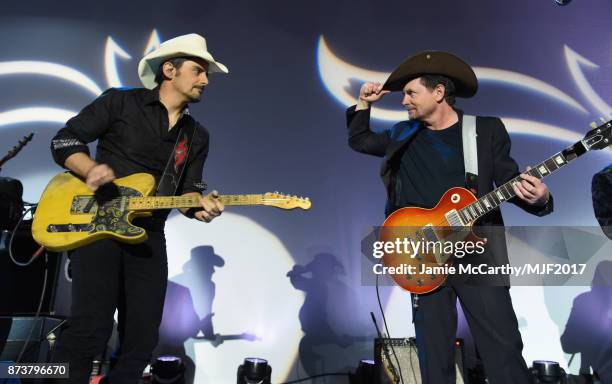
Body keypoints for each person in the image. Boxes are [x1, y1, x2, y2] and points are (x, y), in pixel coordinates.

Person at [346, 51, 553, 383]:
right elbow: (360, 141)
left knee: (503, 352)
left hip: (478, 254)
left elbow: (511, 183)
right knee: (435, 357)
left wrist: (540, 199)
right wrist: (363, 104)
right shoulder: (403, 134)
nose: (404, 101)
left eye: (411, 92)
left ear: (438, 93)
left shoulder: (485, 130)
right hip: (422, 256)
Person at [50, 33, 227, 383]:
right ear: (170, 70)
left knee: (142, 339)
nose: (206, 80)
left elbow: (189, 191)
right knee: (90, 329)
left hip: (149, 234)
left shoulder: (197, 135)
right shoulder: (120, 103)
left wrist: (200, 208)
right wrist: (90, 169)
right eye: (198, 70)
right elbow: (64, 140)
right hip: (97, 227)